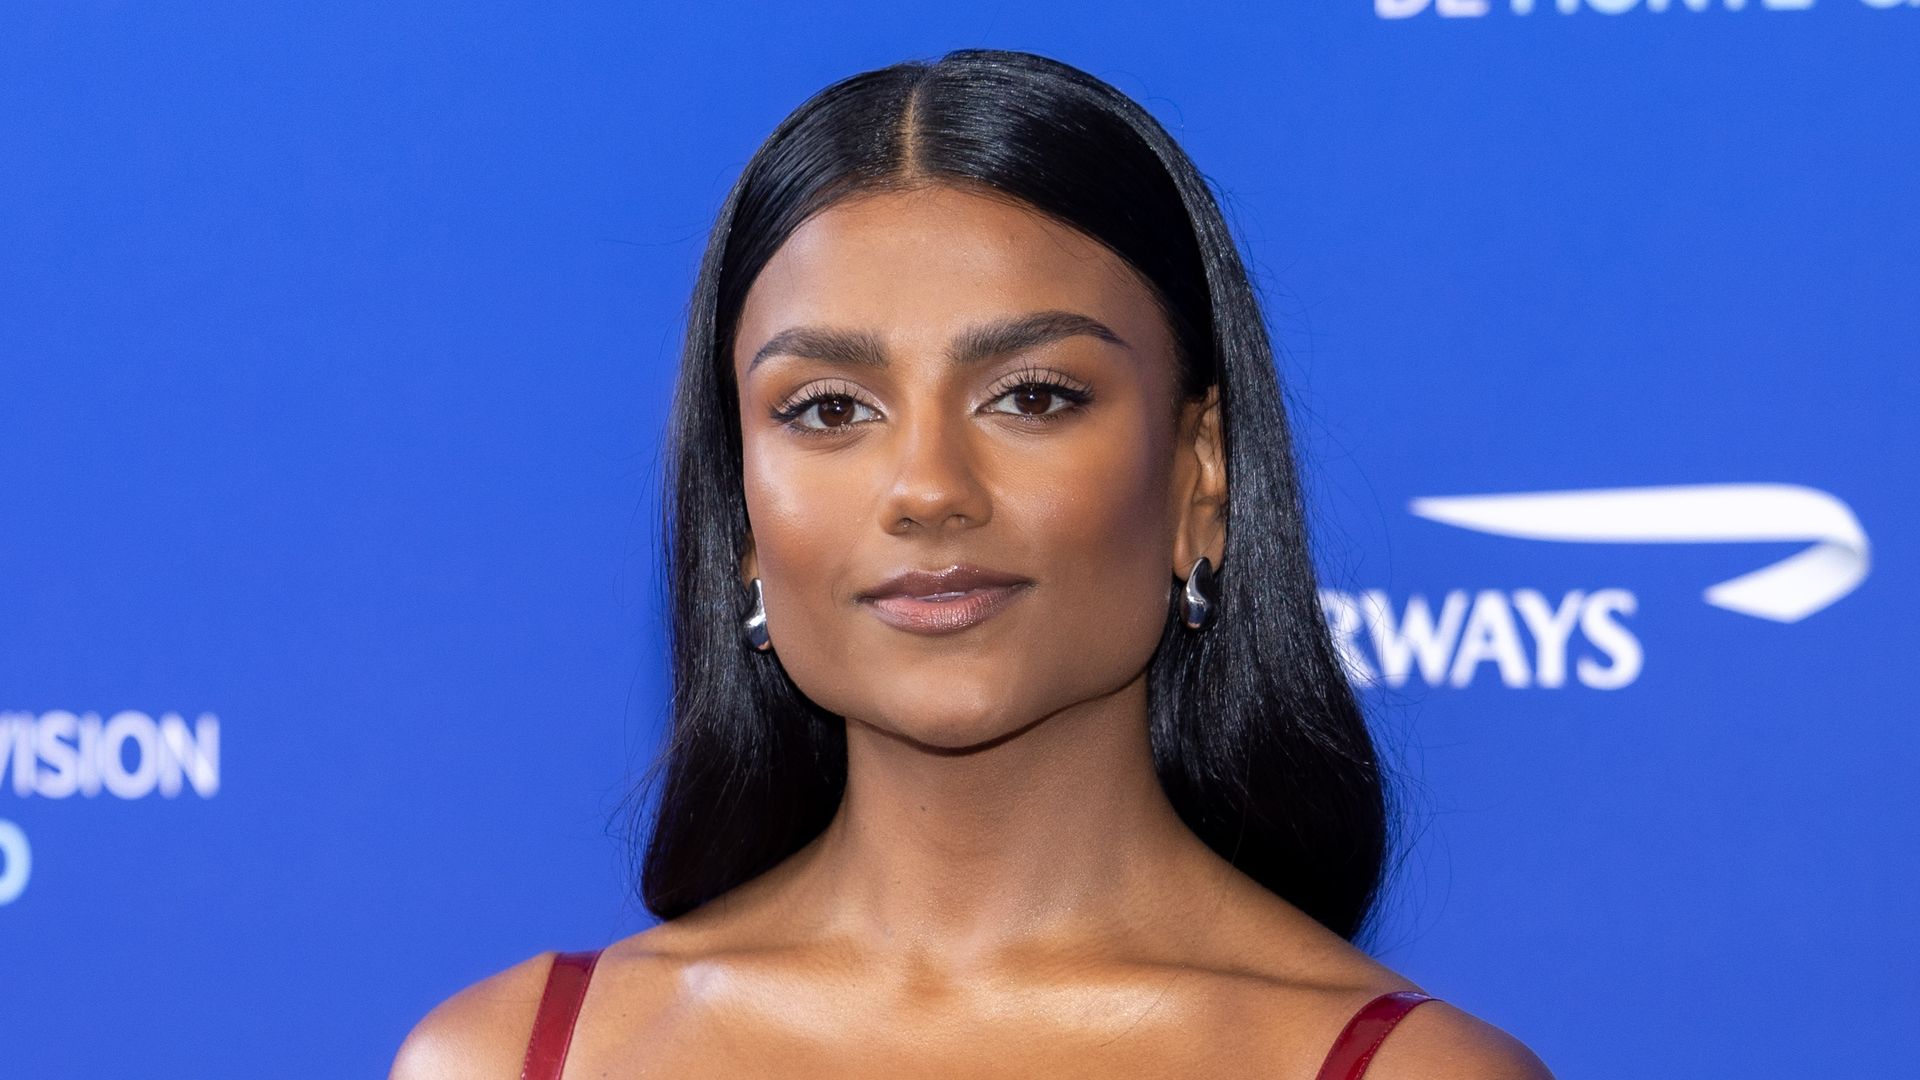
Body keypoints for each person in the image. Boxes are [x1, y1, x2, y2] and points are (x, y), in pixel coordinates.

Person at [391, 48, 1556, 1079]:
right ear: (740, 510)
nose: (929, 488)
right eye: (830, 408)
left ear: (1201, 474)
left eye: (1033, 396)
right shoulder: (509, 1059)